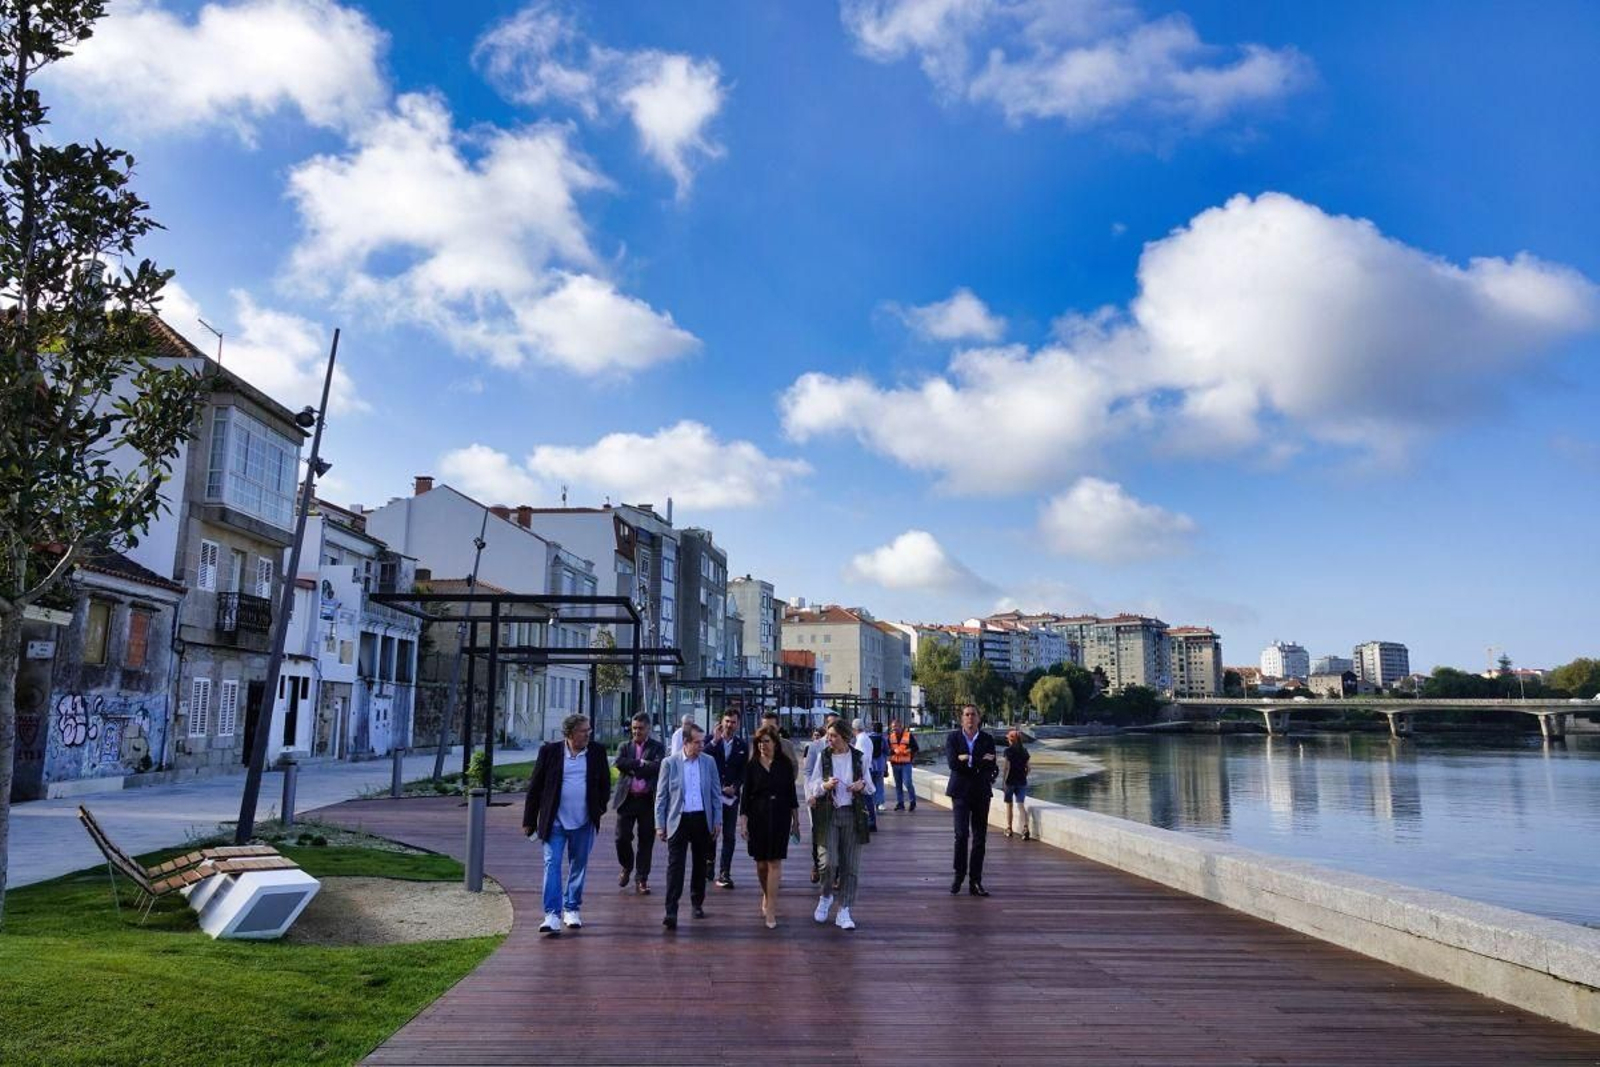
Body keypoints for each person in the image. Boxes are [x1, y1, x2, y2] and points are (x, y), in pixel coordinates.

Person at [522, 713, 611, 935]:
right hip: (555, 821)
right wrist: (529, 820)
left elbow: (604, 785)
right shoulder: (550, 752)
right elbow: (535, 787)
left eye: (589, 730)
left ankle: (571, 908)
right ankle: (552, 914)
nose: (588, 734)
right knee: (551, 864)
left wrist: (599, 808)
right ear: (570, 733)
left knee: (578, 865)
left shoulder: (597, 752)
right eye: (584, 730)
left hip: (583, 821)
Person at [655, 723, 723, 930]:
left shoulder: (709, 762)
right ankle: (671, 910)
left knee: (700, 864)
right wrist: (659, 824)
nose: (701, 745)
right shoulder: (670, 763)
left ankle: (697, 902)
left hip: (702, 818)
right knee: (675, 866)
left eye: (702, 741)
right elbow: (662, 796)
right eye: (697, 742)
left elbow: (715, 793)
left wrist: (717, 820)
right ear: (685, 742)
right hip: (679, 819)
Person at [807, 719, 873, 930]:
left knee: (851, 866)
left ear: (845, 737)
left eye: (833, 735)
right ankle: (825, 896)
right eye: (828, 735)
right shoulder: (823, 756)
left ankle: (844, 909)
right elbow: (813, 784)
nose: (829, 739)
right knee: (828, 862)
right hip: (829, 814)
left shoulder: (858, 758)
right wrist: (824, 786)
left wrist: (861, 784)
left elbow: (870, 785)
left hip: (853, 815)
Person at [739, 724, 800, 929]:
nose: (763, 745)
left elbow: (792, 795)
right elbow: (745, 796)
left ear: (775, 742)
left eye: (766, 741)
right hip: (758, 815)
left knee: (775, 861)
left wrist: (796, 822)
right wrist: (744, 822)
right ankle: (766, 893)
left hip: (781, 814)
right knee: (761, 864)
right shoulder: (752, 765)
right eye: (759, 742)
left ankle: (771, 908)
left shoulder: (784, 764)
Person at [945, 704, 998, 897]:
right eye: (966, 715)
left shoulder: (987, 739)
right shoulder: (953, 738)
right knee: (961, 835)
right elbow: (952, 763)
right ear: (962, 719)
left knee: (979, 838)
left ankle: (975, 881)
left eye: (973, 714)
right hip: (960, 792)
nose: (970, 718)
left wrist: (967, 758)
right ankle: (959, 875)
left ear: (979, 718)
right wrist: (978, 761)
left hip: (981, 792)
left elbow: (991, 764)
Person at [613, 712, 666, 894]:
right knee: (621, 837)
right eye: (634, 728)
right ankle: (627, 866)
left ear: (648, 729)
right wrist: (641, 763)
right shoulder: (624, 746)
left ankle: (641, 878)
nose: (636, 731)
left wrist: (635, 768)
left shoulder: (657, 747)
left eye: (640, 728)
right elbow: (619, 762)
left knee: (646, 841)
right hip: (627, 799)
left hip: (647, 801)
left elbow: (659, 766)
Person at [705, 712, 748, 888]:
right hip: (712, 795)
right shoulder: (711, 741)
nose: (730, 725)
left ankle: (725, 871)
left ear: (738, 724)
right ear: (721, 722)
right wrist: (715, 741)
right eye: (727, 722)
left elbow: (743, 771)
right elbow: (702, 758)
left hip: (730, 797)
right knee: (711, 832)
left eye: (733, 722)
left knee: (729, 834)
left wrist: (735, 787)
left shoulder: (742, 745)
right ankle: (709, 862)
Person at [1002, 729, 1032, 841]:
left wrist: (1004, 781)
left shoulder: (1008, 751)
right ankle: (1025, 829)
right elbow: (1029, 768)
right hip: (1022, 782)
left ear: (1011, 740)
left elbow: (1006, 767)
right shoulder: (1024, 751)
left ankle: (1009, 829)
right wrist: (1024, 776)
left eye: (1008, 739)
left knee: (1009, 805)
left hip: (1010, 781)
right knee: (1020, 805)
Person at [887, 718, 919, 812]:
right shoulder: (890, 737)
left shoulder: (908, 736)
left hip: (906, 764)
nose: (894, 729)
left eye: (895, 727)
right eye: (892, 727)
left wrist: (908, 751)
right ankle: (900, 803)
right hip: (895, 764)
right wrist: (893, 751)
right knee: (898, 785)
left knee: (908, 783)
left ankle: (912, 802)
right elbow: (887, 750)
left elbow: (915, 748)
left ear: (900, 726)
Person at [852, 718, 877, 830]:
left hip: (863, 772)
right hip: (866, 771)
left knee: (866, 798)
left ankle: (871, 821)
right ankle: (870, 820)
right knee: (866, 797)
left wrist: (860, 775)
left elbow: (863, 758)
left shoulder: (861, 740)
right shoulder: (865, 739)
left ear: (854, 729)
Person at [868, 721, 889, 816]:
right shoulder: (883, 738)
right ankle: (880, 803)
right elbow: (886, 751)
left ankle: (871, 803)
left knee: (870, 785)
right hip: (880, 765)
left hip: (870, 765)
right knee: (879, 785)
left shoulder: (868, 737)